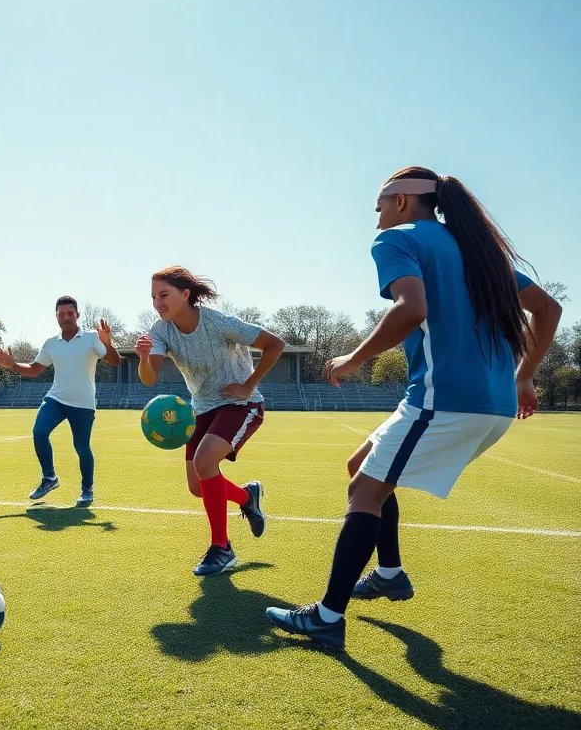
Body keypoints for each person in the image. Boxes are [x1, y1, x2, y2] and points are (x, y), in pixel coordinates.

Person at [266, 167, 562, 650]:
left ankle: (326, 617)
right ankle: (389, 574)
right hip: (488, 402)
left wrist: (353, 358)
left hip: (445, 399)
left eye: (379, 206)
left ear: (402, 202)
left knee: (364, 491)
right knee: (361, 466)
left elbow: (411, 310)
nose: (376, 218)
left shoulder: (397, 239)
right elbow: (549, 310)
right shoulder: (474, 248)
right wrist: (524, 375)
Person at [135, 266, 285, 576]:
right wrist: (143, 358)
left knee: (205, 463)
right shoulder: (161, 330)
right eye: (153, 297)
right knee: (196, 486)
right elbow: (150, 379)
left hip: (240, 402)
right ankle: (247, 497)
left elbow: (275, 344)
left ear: (185, 295)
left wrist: (249, 384)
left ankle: (222, 548)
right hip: (201, 408)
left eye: (164, 295)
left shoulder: (216, 321)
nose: (157, 303)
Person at [0, 297, 120, 506]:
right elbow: (34, 370)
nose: (66, 317)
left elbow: (114, 361)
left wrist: (107, 342)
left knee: (81, 447)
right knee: (39, 432)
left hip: (83, 404)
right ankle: (49, 478)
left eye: (70, 313)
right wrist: (12, 364)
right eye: (61, 314)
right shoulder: (51, 343)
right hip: (56, 399)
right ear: (56, 317)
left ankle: (87, 488)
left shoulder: (91, 338)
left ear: (77, 315)